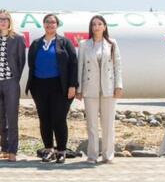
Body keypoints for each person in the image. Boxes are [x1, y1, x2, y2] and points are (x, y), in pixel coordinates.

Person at [25, 13, 78, 164]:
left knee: (58, 118)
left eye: (53, 22)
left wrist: (73, 85)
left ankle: (61, 151)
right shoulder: (36, 43)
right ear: (43, 24)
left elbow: (73, 64)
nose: (50, 24)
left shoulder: (65, 42)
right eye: (47, 22)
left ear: (57, 25)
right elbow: (31, 63)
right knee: (44, 119)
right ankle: (48, 150)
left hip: (59, 86)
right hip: (39, 86)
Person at [76, 15, 123, 164]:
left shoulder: (112, 43)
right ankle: (92, 155)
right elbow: (80, 67)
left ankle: (108, 155)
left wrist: (118, 85)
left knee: (108, 124)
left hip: (108, 88)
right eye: (94, 24)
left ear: (104, 27)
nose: (96, 27)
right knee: (92, 124)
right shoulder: (84, 44)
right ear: (91, 27)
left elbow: (117, 66)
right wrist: (79, 88)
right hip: (90, 88)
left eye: (99, 24)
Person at [0, 9, 26, 162]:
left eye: (5, 19)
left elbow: (21, 61)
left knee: (12, 117)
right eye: (0, 19)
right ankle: (4, 149)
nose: (2, 22)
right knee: (1, 117)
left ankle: (13, 150)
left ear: (9, 21)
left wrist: (14, 79)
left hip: (11, 82)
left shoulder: (18, 38)